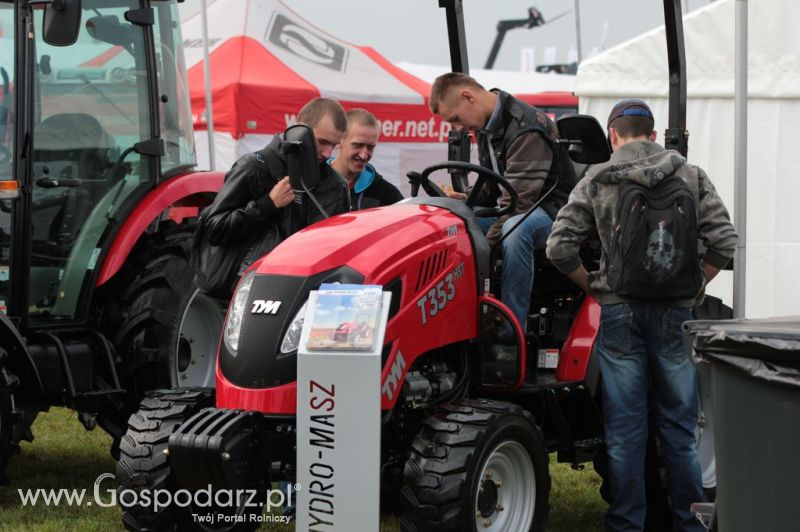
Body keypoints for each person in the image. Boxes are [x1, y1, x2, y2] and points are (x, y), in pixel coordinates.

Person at [545, 99, 738, 531]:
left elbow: (558, 247)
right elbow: (724, 242)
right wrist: (694, 287)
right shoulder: (690, 174)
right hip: (675, 314)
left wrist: (593, 287)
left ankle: (627, 524)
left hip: (620, 314)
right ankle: (690, 523)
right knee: (680, 429)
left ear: (613, 136)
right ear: (653, 134)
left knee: (625, 432)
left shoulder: (598, 176)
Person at [429, 72, 573, 331]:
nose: (459, 128)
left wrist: (484, 247)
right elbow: (495, 185)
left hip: (553, 212)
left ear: (467, 96)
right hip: (518, 205)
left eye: (456, 119)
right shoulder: (487, 127)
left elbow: (518, 203)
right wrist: (463, 201)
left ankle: (509, 330)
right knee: (452, 224)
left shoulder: (526, 126)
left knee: (515, 230)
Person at [196, 98, 350, 296]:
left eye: (334, 145)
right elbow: (215, 229)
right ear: (298, 129)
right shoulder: (254, 168)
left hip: (306, 294)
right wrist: (267, 205)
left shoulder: (336, 186)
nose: (327, 153)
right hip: (248, 293)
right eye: (322, 142)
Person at [329, 108, 403, 209]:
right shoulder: (313, 183)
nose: (364, 155)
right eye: (357, 145)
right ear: (340, 140)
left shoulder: (387, 195)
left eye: (370, 147)